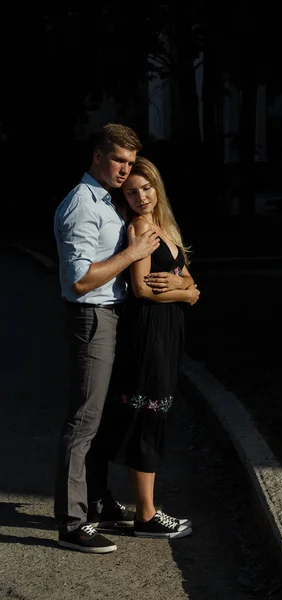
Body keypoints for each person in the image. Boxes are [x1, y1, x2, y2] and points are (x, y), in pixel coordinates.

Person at [53, 124, 160, 554]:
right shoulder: (82, 205)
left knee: (101, 419)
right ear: (97, 155)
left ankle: (95, 501)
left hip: (111, 317)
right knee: (83, 421)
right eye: (118, 160)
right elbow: (78, 280)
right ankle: (72, 522)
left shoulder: (105, 201)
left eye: (131, 163)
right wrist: (131, 255)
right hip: (91, 318)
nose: (125, 170)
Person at [95, 156, 200, 539]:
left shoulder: (164, 226)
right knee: (147, 416)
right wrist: (184, 293)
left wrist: (184, 289)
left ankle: (109, 501)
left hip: (168, 331)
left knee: (154, 412)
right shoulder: (139, 228)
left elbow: (188, 279)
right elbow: (141, 288)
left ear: (157, 186)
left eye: (146, 188)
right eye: (131, 191)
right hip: (149, 331)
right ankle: (145, 515)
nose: (141, 197)